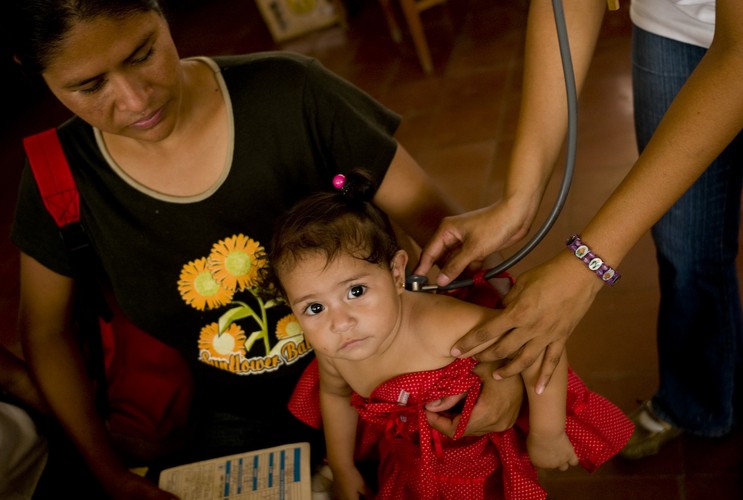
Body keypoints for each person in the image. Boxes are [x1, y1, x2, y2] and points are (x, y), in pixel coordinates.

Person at [5, 1, 524, 498]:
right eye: (90, 86)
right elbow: (46, 333)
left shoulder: (293, 93)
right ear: (32, 73)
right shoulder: (61, 178)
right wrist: (109, 474)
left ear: (161, 13)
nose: (135, 100)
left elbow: (449, 244)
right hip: (238, 420)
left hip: (394, 386)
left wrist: (504, 373)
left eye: (143, 54)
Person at [414, 0, 742, 457]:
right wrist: (519, 199)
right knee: (686, 247)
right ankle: (698, 402)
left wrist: (588, 266)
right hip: (671, 24)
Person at [269, 171, 634, 500]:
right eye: (314, 308)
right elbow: (334, 394)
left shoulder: (439, 327)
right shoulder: (334, 351)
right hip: (408, 467)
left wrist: (547, 433)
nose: (340, 322)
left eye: (356, 291)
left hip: (478, 470)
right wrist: (342, 466)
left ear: (397, 273)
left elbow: (535, 344)